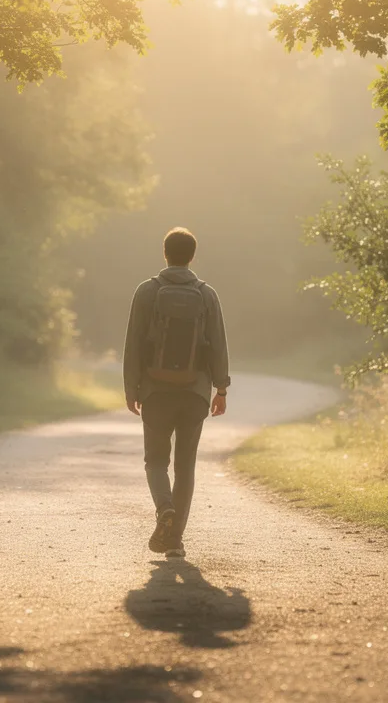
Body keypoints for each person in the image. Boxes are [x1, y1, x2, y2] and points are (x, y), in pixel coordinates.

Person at [123, 227, 230, 559]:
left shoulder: (147, 292)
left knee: (155, 461)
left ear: (164, 252)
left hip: (155, 391)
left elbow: (134, 344)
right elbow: (218, 344)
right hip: (195, 391)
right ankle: (175, 541)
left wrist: (132, 389)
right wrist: (221, 388)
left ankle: (164, 508)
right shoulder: (207, 294)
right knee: (185, 466)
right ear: (192, 256)